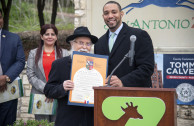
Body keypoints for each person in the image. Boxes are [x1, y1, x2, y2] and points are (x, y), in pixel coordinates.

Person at [44, 26, 98, 126]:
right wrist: (62, 87)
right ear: (72, 43)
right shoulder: (59, 64)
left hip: (90, 120)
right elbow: (48, 91)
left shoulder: (98, 66)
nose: (84, 47)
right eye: (81, 43)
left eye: (88, 44)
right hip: (67, 120)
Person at [94, 1, 154, 87]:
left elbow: (147, 67)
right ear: (103, 16)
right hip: (107, 97)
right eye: (106, 13)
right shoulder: (99, 43)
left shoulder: (139, 35)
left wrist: (123, 82)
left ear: (121, 14)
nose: (110, 16)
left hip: (134, 96)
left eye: (114, 12)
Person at [26, 24, 69, 122]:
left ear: (56, 37)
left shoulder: (65, 53)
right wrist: (47, 89)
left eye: (53, 34)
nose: (50, 37)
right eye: (46, 34)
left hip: (59, 96)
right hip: (40, 95)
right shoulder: (33, 53)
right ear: (41, 36)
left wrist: (54, 91)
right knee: (42, 124)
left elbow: (66, 75)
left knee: (58, 123)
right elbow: (30, 75)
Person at [0, 9, 25, 126]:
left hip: (8, 92)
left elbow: (20, 61)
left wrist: (5, 78)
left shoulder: (14, 39)